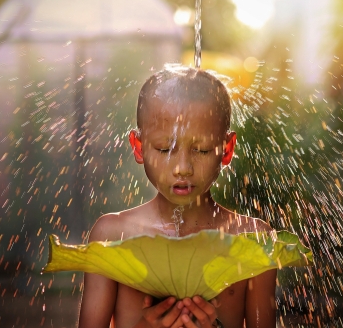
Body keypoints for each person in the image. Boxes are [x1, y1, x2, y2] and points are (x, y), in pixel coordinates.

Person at [78, 65, 276, 328]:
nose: (183, 167)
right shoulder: (113, 236)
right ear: (139, 148)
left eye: (202, 150)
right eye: (163, 148)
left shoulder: (253, 240)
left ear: (226, 149)